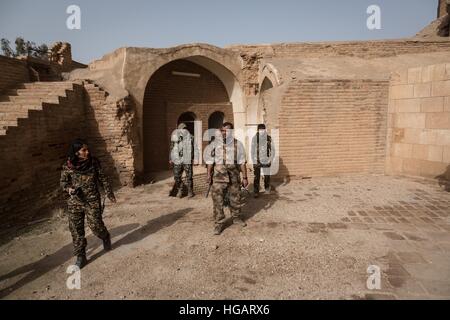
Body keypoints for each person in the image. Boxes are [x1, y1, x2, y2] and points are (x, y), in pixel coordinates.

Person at [60, 139, 116, 269]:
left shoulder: (93, 163)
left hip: (92, 201)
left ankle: (105, 236)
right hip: (74, 202)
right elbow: (63, 182)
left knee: (95, 225)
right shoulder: (68, 166)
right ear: (76, 153)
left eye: (87, 149)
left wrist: (109, 193)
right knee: (76, 230)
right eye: (84, 150)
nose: (87, 152)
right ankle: (81, 256)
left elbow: (102, 178)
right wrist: (69, 189)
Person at [206, 122, 249, 235]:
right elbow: (210, 162)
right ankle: (219, 223)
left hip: (234, 177)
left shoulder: (238, 144)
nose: (224, 132)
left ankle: (236, 218)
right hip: (218, 178)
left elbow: (242, 162)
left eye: (227, 130)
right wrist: (208, 175)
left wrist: (244, 177)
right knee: (217, 202)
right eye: (223, 130)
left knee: (236, 199)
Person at [169, 122, 198, 198]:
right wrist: (170, 158)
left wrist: (196, 159)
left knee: (189, 176)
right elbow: (172, 148)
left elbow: (196, 149)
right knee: (176, 176)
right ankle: (180, 189)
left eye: (184, 129)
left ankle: (190, 191)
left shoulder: (191, 137)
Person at [251, 124, 275, 198]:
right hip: (257, 160)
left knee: (267, 176)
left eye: (263, 129)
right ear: (258, 130)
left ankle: (267, 189)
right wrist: (253, 160)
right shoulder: (255, 138)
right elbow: (252, 150)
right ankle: (256, 191)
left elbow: (273, 150)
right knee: (256, 177)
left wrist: (270, 159)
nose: (262, 131)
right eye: (260, 129)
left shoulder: (268, 138)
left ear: (265, 130)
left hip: (266, 160)